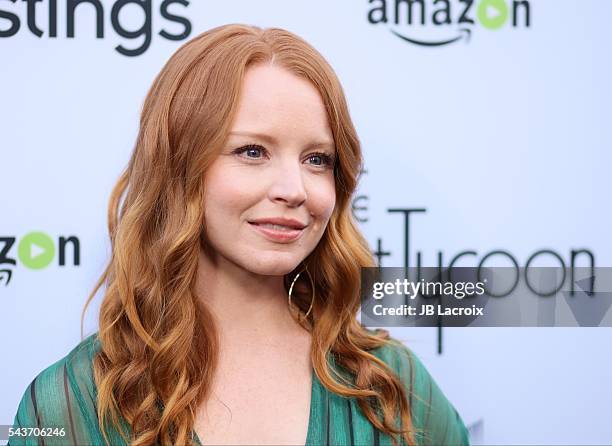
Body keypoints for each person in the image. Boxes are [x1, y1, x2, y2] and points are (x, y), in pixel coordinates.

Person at [8, 24, 469, 446]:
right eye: (252, 151)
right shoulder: (68, 401)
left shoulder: (391, 382)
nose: (294, 190)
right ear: (179, 169)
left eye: (317, 159)